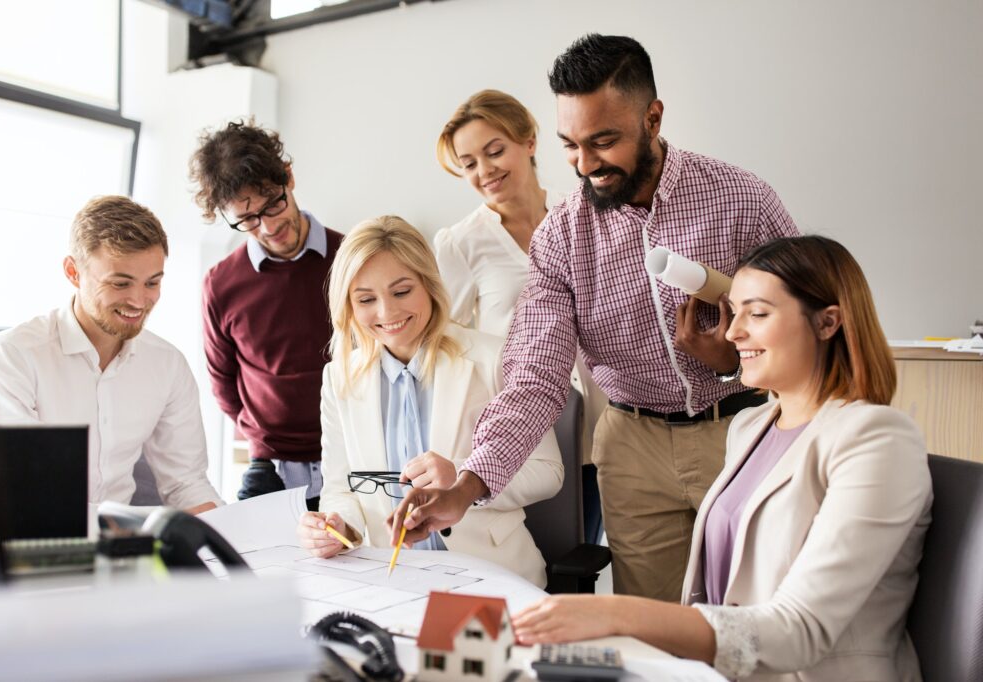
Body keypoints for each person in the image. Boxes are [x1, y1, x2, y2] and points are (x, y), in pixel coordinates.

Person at [390, 34, 800, 602]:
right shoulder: (561, 237)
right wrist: (468, 486)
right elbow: (534, 379)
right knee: (653, 624)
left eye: (604, 141)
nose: (586, 165)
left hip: (744, 429)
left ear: (652, 118)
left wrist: (737, 361)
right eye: (570, 145)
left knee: (759, 608)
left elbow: (807, 320)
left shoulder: (741, 198)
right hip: (631, 450)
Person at [512, 235, 932, 682]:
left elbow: (800, 630)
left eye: (758, 313)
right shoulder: (750, 427)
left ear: (827, 323)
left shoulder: (877, 439)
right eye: (736, 311)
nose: (733, 332)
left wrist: (616, 613)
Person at [296, 216, 563, 587]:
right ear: (348, 305)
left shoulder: (492, 358)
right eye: (367, 299)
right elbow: (341, 488)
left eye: (402, 291)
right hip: (389, 581)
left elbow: (548, 472)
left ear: (429, 284)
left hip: (488, 575)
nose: (387, 313)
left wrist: (462, 475)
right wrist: (340, 527)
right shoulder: (339, 378)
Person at [433, 89, 606, 543]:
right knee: (538, 559)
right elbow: (441, 341)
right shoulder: (460, 243)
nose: (485, 171)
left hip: (600, 423)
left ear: (529, 141)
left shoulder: (582, 217)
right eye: (469, 163)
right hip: (524, 433)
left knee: (587, 552)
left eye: (494, 151)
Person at [0, 196, 222, 512]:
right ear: (73, 272)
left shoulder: (168, 365)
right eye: (120, 283)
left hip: (123, 548)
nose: (139, 301)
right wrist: (137, 528)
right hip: (36, 543)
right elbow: (29, 493)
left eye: (152, 283)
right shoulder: (11, 357)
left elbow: (186, 483)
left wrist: (228, 538)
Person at [190, 120, 343, 508]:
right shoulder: (221, 284)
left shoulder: (352, 258)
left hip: (352, 452)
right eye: (248, 219)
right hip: (269, 462)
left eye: (273, 204)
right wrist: (258, 432)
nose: (269, 226)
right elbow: (223, 382)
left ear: (288, 179)